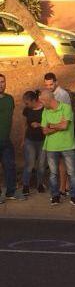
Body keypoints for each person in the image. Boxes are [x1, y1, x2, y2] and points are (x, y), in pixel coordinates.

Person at [39, 89, 75, 206]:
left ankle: (74, 197)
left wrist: (51, 125)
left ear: (48, 100)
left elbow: (65, 125)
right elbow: (44, 131)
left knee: (72, 172)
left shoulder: (66, 108)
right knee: (53, 174)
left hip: (67, 145)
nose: (41, 104)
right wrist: (58, 125)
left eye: (42, 101)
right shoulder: (45, 111)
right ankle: (55, 196)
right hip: (51, 147)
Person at [43, 72, 70, 197]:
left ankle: (63, 188)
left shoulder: (62, 95)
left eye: (51, 84)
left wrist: (52, 127)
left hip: (61, 131)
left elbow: (64, 116)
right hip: (54, 132)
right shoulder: (50, 94)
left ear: (56, 82)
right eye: (47, 85)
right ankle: (65, 186)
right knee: (59, 162)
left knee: (62, 162)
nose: (49, 87)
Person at [21, 90, 45, 196]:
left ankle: (40, 184)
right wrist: (23, 139)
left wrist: (39, 125)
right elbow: (24, 125)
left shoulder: (44, 108)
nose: (26, 105)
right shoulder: (27, 110)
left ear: (33, 100)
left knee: (41, 164)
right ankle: (25, 185)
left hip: (43, 140)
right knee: (29, 163)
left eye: (27, 103)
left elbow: (49, 123)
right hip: (30, 139)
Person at [0, 74, 16, 202]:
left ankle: (10, 193)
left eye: (2, 82)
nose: (1, 84)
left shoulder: (10, 99)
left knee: (10, 166)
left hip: (6, 140)